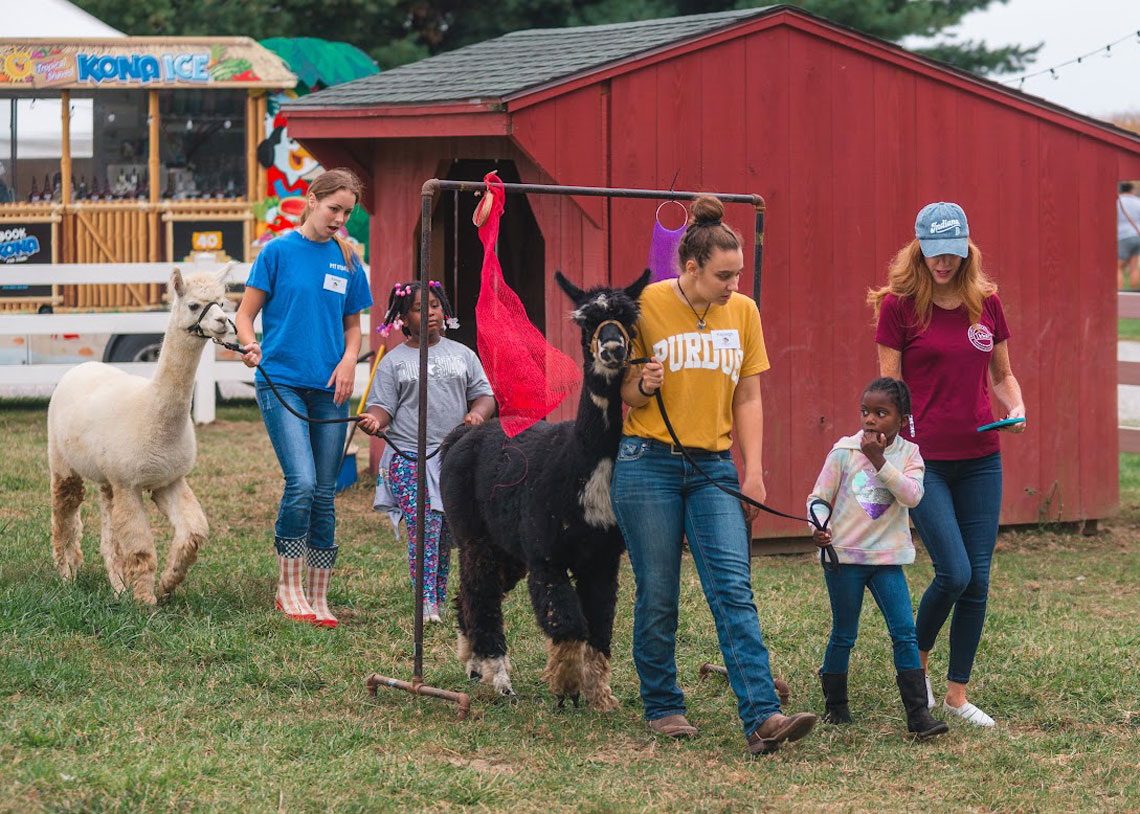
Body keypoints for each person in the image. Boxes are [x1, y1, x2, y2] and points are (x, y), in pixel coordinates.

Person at [610, 195, 817, 757]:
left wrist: (755, 472)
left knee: (732, 588)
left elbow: (749, 396)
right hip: (647, 462)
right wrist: (642, 384)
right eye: (723, 275)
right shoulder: (646, 304)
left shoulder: (743, 312)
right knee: (659, 590)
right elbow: (622, 391)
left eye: (738, 274)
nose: (732, 285)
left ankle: (762, 718)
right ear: (691, 268)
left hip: (714, 467)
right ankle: (662, 704)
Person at [870, 201, 1026, 727]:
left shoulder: (987, 303)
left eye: (952, 254)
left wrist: (1015, 407)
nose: (943, 264)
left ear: (966, 251)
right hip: (924, 461)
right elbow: (889, 389)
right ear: (919, 249)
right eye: (934, 254)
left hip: (982, 459)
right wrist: (886, 445)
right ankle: (916, 670)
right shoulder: (899, 307)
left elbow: (1001, 376)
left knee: (977, 580)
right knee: (953, 572)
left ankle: (957, 695)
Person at [235, 168, 373, 629]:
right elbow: (245, 315)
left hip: (331, 387)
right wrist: (249, 345)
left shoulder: (347, 260)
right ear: (311, 200)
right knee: (302, 482)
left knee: (325, 493)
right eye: (334, 208)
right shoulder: (276, 252)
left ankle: (318, 593)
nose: (340, 219)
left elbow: (353, 326)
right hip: (282, 382)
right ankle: (288, 587)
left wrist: (350, 359)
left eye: (348, 212)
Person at [808, 377, 948, 740]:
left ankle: (919, 716)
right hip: (845, 559)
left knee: (904, 632)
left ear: (902, 419)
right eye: (865, 412)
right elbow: (818, 497)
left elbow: (912, 496)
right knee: (845, 634)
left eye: (881, 413)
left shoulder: (909, 455)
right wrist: (818, 525)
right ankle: (836, 707)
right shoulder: (843, 452)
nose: (870, 420)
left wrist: (879, 460)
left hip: (886, 561)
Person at [358, 281, 495, 622]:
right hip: (409, 457)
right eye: (420, 308)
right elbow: (381, 408)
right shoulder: (395, 362)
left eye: (434, 305)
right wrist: (374, 421)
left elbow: (484, 394)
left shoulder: (462, 355)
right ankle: (425, 604)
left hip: (453, 458)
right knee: (425, 525)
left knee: (448, 530)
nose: (430, 313)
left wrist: (477, 413)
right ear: (403, 317)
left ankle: (439, 597)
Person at [1118, 182, 1140, 291]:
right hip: (1137, 235)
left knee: (1118, 267)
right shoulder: (1138, 201)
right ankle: (1134, 294)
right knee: (1133, 267)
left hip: (1123, 236)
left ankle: (1120, 293)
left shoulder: (1118, 201)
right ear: (1131, 190)